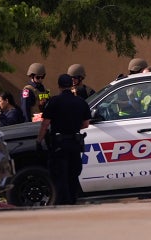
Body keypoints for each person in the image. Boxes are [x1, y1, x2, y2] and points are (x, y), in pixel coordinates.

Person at [36, 74, 92, 205]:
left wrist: (39, 141)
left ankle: (63, 204)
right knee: (73, 175)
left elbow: (45, 124)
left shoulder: (54, 101)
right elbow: (86, 124)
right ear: (71, 85)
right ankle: (72, 201)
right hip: (75, 143)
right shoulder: (80, 102)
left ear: (59, 86)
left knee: (60, 176)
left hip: (59, 145)